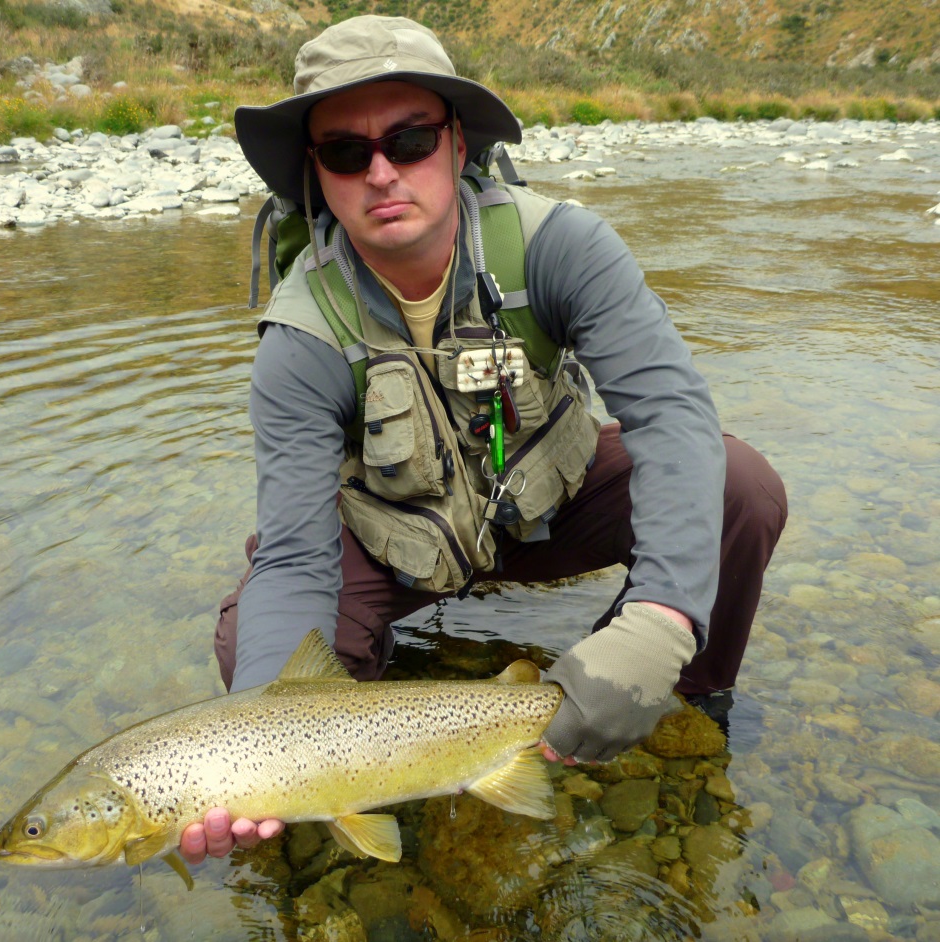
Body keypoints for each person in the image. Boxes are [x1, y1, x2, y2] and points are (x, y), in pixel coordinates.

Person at [179, 15, 788, 864]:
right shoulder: (299, 336)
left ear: (458, 144)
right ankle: (365, 759)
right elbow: (294, 557)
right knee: (252, 644)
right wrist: (256, 745)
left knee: (740, 488)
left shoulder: (560, 247)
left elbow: (670, 413)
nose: (383, 171)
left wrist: (661, 617)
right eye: (348, 153)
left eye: (410, 138)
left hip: (551, 510)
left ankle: (675, 695)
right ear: (317, 174)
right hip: (398, 548)